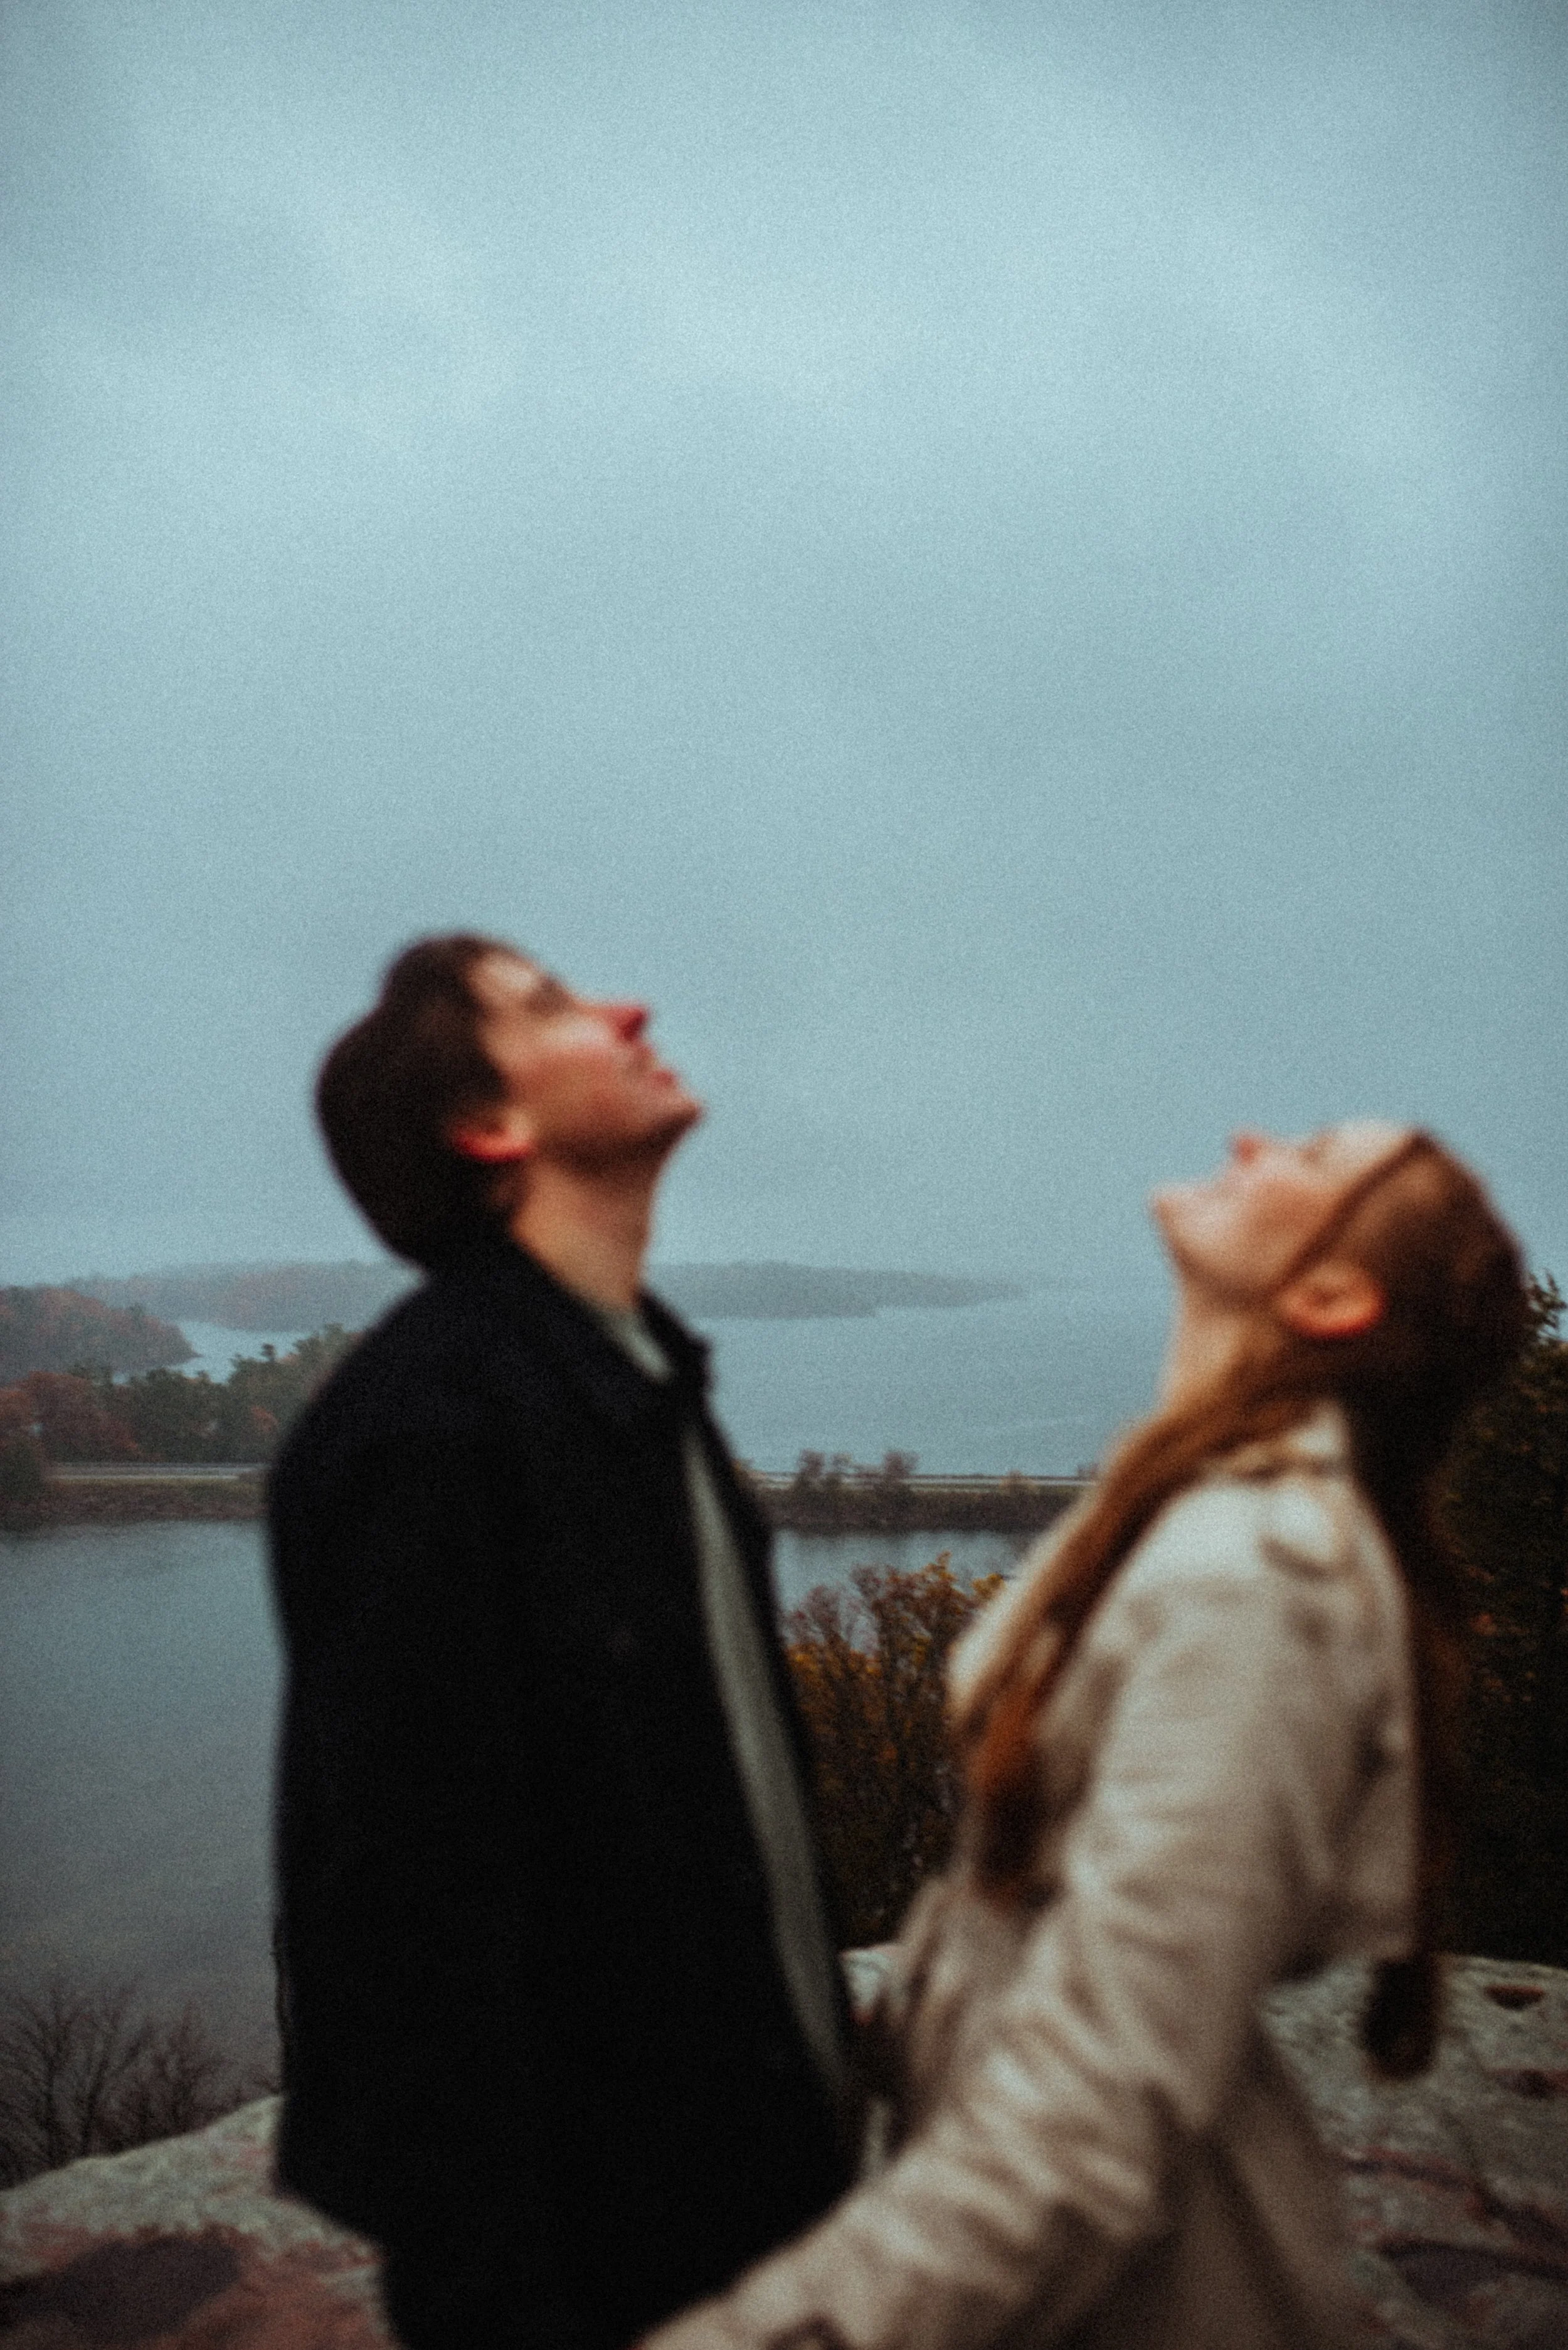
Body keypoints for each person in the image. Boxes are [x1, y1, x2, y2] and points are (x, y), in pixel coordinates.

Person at [641, 1121, 1527, 2350]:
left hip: (1145, 2292)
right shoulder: (1196, 1509)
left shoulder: (1256, 1585)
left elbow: (1097, 2106)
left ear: (1330, 1294)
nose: (1251, 1140)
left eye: (1316, 1155)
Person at [268, 935, 855, 2350]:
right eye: (553, 1004)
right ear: (490, 1126)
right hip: (613, 2280)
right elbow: (409, 1950)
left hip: (773, 2217)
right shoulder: (426, 1434)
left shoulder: (644, 1376)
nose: (632, 1004)